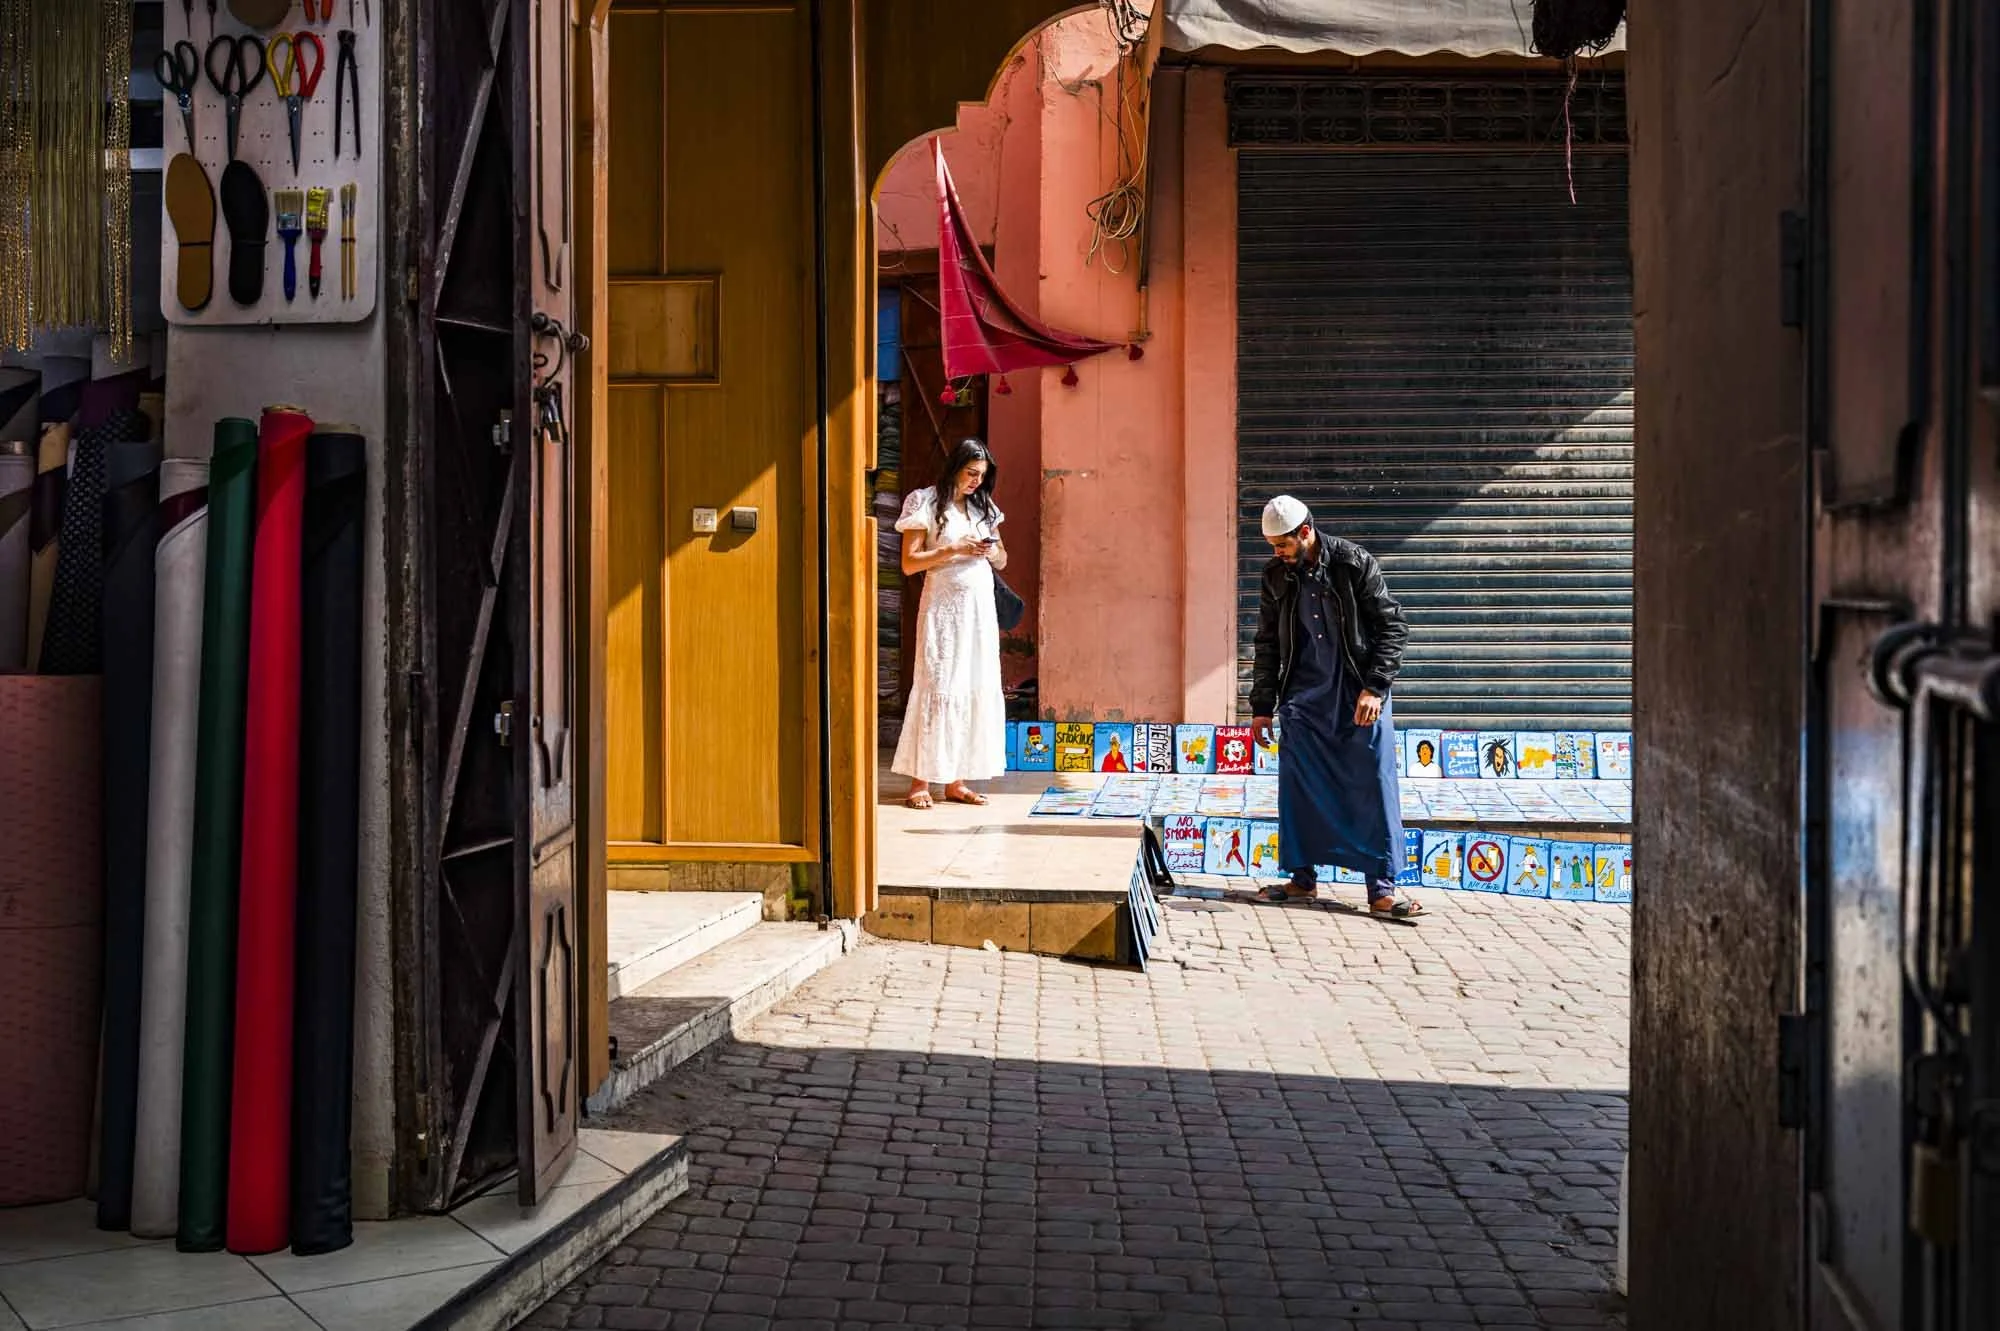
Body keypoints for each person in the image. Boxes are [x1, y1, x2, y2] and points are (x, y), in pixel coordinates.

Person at [1249, 495, 1422, 917]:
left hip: (1356, 694)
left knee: (1372, 787)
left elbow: (1393, 626)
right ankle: (1302, 881)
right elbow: (1268, 644)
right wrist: (1261, 705)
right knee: (1299, 787)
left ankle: (1382, 890)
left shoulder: (1352, 563)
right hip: (1304, 698)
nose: (1278, 554)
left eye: (1283, 545)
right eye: (1273, 547)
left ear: (1305, 533)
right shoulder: (1275, 576)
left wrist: (1375, 688)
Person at [892, 437, 1008, 809]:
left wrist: (991, 549)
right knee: (938, 680)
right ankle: (920, 780)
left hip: (978, 609)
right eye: (971, 473)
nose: (976, 481)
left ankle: (957, 781)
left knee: (973, 681)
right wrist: (952, 549)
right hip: (943, 607)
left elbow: (1003, 560)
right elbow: (910, 562)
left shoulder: (983, 507)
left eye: (982, 476)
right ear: (954, 467)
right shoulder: (923, 502)